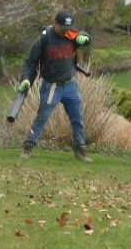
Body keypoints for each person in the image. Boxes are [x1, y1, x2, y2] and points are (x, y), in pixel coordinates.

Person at [18, 11, 92, 160]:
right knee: (43, 117)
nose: (66, 30)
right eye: (63, 27)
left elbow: (84, 36)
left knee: (78, 118)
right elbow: (30, 63)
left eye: (69, 27)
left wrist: (86, 38)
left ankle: (80, 149)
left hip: (71, 85)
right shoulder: (45, 38)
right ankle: (28, 147)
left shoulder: (72, 34)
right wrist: (26, 79)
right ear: (55, 24)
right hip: (52, 86)